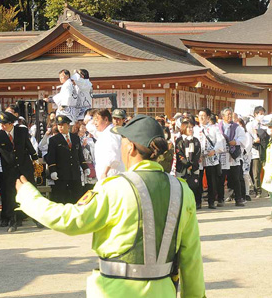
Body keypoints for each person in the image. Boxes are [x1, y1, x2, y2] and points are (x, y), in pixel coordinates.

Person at [15, 114, 205, 297]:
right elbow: (191, 257)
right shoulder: (182, 191)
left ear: (130, 147)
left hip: (116, 289)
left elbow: (71, 220)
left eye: (122, 141)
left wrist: (29, 197)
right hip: (163, 290)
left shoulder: (115, 186)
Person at [0, 111, 40, 232]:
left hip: (24, 168)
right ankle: (13, 221)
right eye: (1, 124)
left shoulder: (22, 131)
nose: (3, 126)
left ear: (12, 123)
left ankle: (36, 218)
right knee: (11, 196)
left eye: (5, 124)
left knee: (30, 193)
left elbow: (29, 146)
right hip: (9, 170)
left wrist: (35, 159)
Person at [47, 115, 90, 204]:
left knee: (76, 196)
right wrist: (53, 170)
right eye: (59, 125)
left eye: (62, 125)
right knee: (62, 198)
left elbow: (79, 154)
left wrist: (85, 166)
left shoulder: (75, 138)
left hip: (74, 172)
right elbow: (51, 157)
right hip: (62, 174)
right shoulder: (54, 140)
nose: (60, 127)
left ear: (68, 125)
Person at [218, 107, 246, 207]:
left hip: (233, 155)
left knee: (236, 178)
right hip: (222, 154)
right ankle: (220, 199)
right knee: (221, 178)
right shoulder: (218, 127)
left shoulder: (237, 127)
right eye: (227, 114)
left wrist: (236, 142)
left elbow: (243, 139)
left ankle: (238, 198)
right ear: (223, 116)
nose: (229, 116)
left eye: (231, 114)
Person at [197, 108, 225, 209]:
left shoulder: (214, 128)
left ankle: (211, 201)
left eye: (203, 116)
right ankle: (198, 201)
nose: (201, 118)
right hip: (199, 158)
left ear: (208, 117)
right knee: (198, 180)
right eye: (199, 116)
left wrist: (214, 150)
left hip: (211, 157)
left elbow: (220, 141)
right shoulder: (196, 129)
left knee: (212, 180)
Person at [175, 120, 202, 208]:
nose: (191, 129)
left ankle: (197, 202)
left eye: (191, 127)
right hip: (182, 168)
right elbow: (179, 154)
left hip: (194, 167)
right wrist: (187, 164)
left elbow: (197, 153)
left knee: (195, 185)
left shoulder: (196, 140)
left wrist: (192, 164)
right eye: (188, 127)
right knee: (182, 186)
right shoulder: (179, 141)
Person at [92, 109, 125, 180]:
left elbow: (113, 156)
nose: (95, 123)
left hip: (111, 175)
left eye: (97, 120)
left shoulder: (111, 134)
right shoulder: (105, 132)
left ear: (106, 119)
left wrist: (105, 172)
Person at [246, 106, 269, 198]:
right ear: (255, 114)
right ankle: (258, 190)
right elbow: (251, 137)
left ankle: (268, 190)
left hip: (265, 149)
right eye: (260, 114)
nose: (262, 116)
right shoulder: (250, 124)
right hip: (255, 150)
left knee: (267, 171)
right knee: (256, 172)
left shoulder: (266, 124)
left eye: (263, 114)